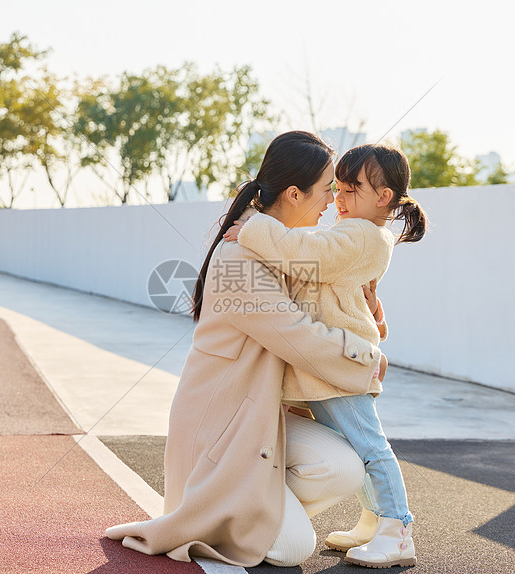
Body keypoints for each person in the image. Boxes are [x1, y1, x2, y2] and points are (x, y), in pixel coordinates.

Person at [105, 131, 383, 567]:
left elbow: (329, 311)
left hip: (262, 422)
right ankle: (235, 519)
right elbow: (298, 336)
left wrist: (369, 315)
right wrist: (367, 360)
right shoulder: (240, 259)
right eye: (328, 188)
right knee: (294, 550)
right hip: (224, 429)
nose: (333, 200)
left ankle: (259, 513)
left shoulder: (285, 249)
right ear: (295, 194)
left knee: (344, 468)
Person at [223, 143, 427, 568]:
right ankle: (373, 521)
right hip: (326, 370)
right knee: (357, 444)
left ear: (383, 197)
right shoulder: (350, 233)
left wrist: (253, 229)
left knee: (371, 448)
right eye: (337, 189)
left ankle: (397, 529)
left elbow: (306, 255)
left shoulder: (366, 237)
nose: (338, 198)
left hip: (341, 369)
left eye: (351, 190)